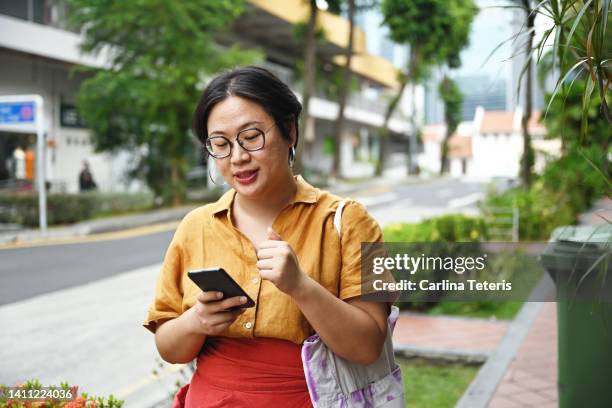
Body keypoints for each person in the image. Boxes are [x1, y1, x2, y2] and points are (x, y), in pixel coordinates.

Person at [143, 66, 396, 407]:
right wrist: (195, 322)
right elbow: (169, 349)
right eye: (220, 144)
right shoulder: (196, 226)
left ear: (289, 129)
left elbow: (367, 347)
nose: (238, 157)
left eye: (251, 137)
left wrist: (300, 287)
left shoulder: (348, 221)